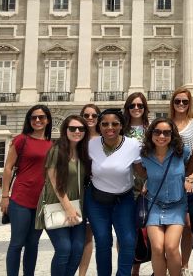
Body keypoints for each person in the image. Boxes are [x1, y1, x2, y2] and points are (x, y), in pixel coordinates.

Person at [86, 108, 146, 276]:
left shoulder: (132, 145)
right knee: (103, 242)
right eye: (104, 124)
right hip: (97, 201)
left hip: (123, 200)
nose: (109, 127)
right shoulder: (91, 144)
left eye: (114, 124)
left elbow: (141, 171)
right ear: (99, 126)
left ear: (121, 126)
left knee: (128, 241)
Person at [0, 104, 53, 276]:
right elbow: (8, 168)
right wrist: (5, 196)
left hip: (40, 201)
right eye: (33, 117)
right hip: (21, 198)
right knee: (17, 243)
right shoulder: (21, 140)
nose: (37, 120)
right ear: (29, 120)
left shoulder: (50, 144)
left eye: (41, 117)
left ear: (47, 120)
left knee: (33, 244)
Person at [35, 115, 90, 276]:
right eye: (72, 128)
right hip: (57, 205)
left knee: (78, 249)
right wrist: (69, 209)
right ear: (65, 130)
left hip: (77, 207)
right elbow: (55, 183)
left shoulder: (81, 152)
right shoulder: (56, 150)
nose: (77, 131)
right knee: (64, 249)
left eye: (81, 129)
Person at [141, 118, 193, 276]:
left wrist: (189, 180)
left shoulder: (182, 152)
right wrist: (145, 184)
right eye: (157, 132)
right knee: (157, 248)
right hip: (154, 204)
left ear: (172, 135)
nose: (161, 136)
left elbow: (192, 167)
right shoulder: (144, 155)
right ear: (151, 134)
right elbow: (142, 173)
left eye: (166, 132)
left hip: (177, 205)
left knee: (171, 247)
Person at [170, 87, 193, 276]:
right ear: (173, 103)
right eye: (178, 101)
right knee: (173, 224)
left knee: (188, 226)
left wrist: (190, 177)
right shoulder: (166, 123)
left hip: (190, 180)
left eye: (185, 101)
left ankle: (184, 265)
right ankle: (172, 263)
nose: (181, 104)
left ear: (189, 103)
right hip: (170, 180)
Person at [123, 92, 150, 276]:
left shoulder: (151, 130)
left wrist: (148, 182)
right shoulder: (121, 130)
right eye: (132, 105)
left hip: (146, 185)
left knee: (144, 228)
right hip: (123, 185)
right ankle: (128, 268)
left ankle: (137, 269)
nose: (136, 109)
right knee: (126, 230)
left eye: (140, 105)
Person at [78, 103, 101, 276]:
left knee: (89, 235)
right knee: (77, 236)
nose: (90, 118)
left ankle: (82, 273)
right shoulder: (77, 137)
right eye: (86, 116)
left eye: (94, 115)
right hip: (78, 190)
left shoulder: (104, 138)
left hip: (98, 191)